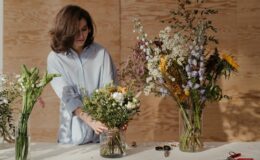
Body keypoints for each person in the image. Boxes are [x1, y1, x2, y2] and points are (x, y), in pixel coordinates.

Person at [47, 4, 117, 145]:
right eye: (75, 31)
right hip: (71, 136)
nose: (81, 36)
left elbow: (110, 91)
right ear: (65, 31)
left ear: (89, 29)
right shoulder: (55, 59)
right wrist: (92, 122)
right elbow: (68, 98)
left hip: (101, 135)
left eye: (84, 29)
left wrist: (116, 121)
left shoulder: (101, 54)